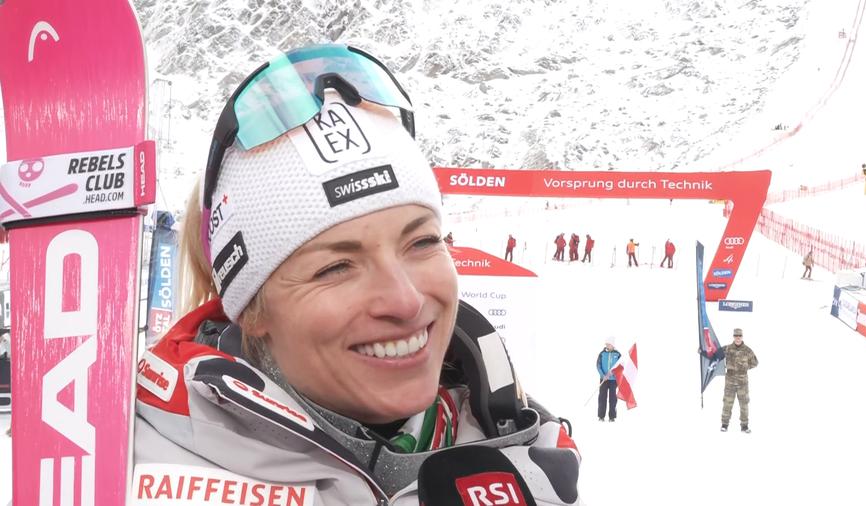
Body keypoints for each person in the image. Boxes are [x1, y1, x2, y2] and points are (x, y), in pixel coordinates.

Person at [132, 44, 581, 504]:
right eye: (336, 267)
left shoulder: (533, 460)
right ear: (252, 310)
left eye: (422, 242)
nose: (405, 301)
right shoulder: (123, 468)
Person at [720, 328, 758, 433]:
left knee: (744, 404)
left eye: (739, 336)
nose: (737, 338)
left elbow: (755, 362)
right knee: (727, 403)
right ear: (733, 336)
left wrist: (745, 367)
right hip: (730, 382)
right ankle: (724, 424)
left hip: (742, 383)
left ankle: (744, 426)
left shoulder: (747, 350)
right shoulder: (727, 349)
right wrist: (704, 351)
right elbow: (715, 354)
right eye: (736, 336)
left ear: (742, 337)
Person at [596, 337, 621, 422]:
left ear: (613, 345)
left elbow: (620, 367)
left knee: (612, 398)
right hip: (604, 380)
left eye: (609, 344)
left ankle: (612, 417)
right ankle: (601, 416)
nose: (607, 346)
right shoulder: (602, 354)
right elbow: (598, 365)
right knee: (602, 397)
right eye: (606, 344)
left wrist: (613, 373)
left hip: (613, 380)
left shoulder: (617, 354)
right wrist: (603, 375)